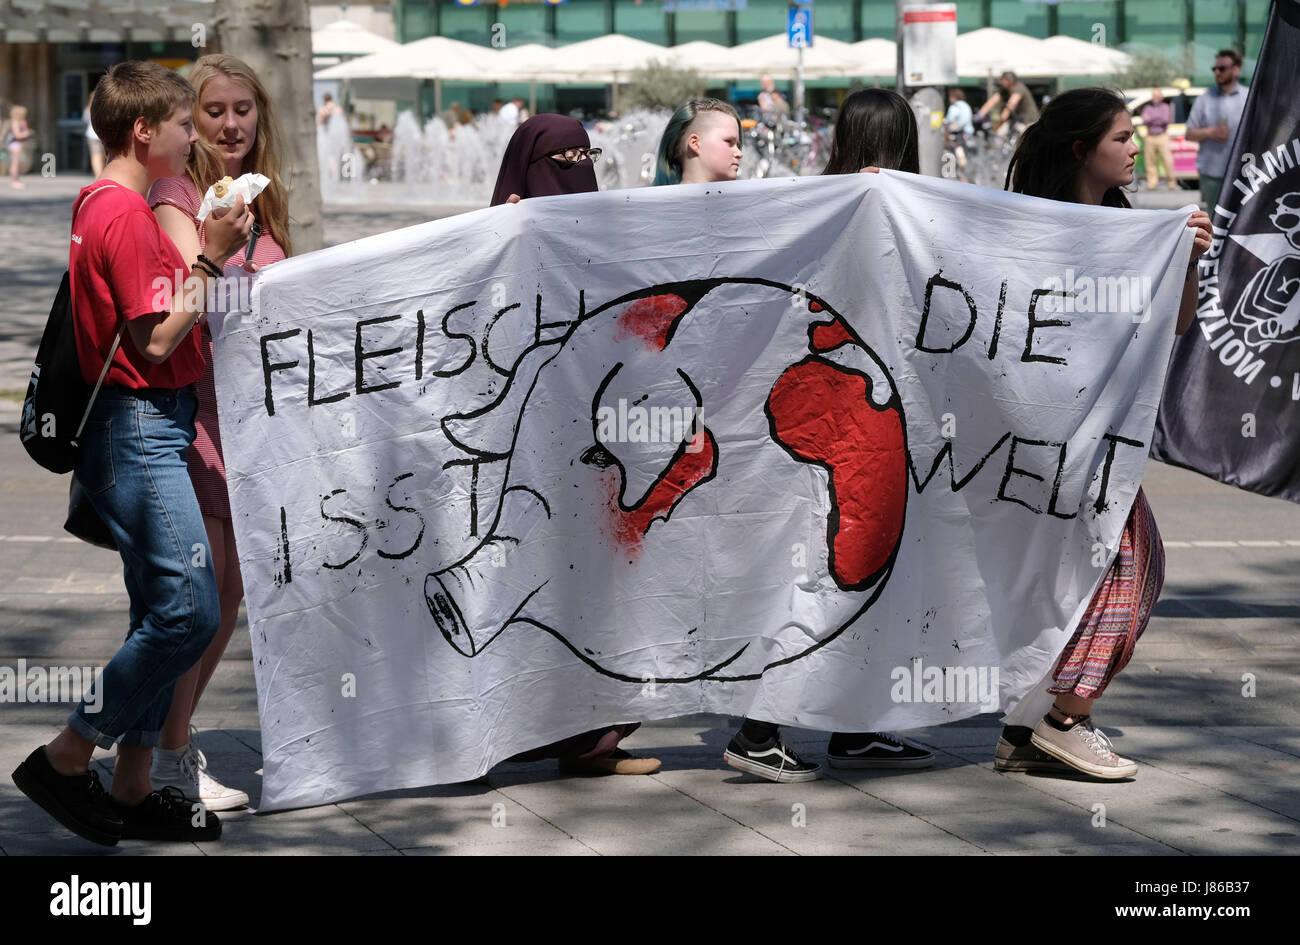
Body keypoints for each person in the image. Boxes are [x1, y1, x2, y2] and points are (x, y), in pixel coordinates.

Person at [10, 60, 251, 844]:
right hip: (137, 427)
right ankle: (68, 753)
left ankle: (137, 783)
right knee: (189, 610)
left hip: (151, 424)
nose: (197, 137)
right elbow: (155, 340)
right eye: (186, 124)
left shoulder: (109, 205)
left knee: (162, 608)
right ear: (144, 130)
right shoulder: (120, 211)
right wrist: (211, 256)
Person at [713, 90, 936, 782]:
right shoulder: (888, 207)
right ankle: (757, 728)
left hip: (820, 417)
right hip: (849, 424)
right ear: (902, 141)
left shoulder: (818, 201)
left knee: (846, 572)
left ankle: (856, 723)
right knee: (830, 575)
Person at [996, 87, 1211, 780]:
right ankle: (1067, 714)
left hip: (1102, 432)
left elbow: (1175, 324)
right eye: (1120, 137)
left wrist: (1189, 257)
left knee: (1087, 572)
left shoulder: (1129, 226)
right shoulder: (1029, 225)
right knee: (1130, 561)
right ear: (1081, 149)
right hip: (1046, 434)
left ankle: (1027, 728)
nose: (1135, 146)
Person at [488, 114, 658, 776]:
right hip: (526, 457)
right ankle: (502, 733)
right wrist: (504, 239)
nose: (573, 167)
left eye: (583, 155)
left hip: (600, 449)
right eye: (557, 158)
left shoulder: (608, 233)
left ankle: (593, 738)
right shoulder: (499, 231)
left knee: (601, 594)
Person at [147, 53, 291, 811]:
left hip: (249, 425)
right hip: (189, 417)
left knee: (230, 597)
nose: (231, 123)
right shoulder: (179, 195)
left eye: (243, 109)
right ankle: (164, 758)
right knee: (197, 599)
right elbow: (180, 289)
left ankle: (165, 743)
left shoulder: (266, 204)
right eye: (214, 110)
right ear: (191, 121)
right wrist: (220, 238)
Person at [1185, 49, 1248, 212]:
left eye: (1222, 68)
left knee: (1241, 219)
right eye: (1215, 69)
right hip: (1211, 174)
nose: (1217, 72)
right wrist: (1210, 132)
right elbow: (1189, 133)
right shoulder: (1204, 98)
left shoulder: (1248, 97)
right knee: (1215, 219)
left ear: (1236, 69)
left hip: (1242, 172)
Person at [651, 98, 742, 186]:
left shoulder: (745, 200)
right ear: (695, 143)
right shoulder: (658, 201)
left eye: (737, 145)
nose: (739, 154)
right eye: (729, 141)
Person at [976, 71, 1040, 138]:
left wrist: (996, 125)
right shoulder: (1006, 89)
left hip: (1029, 121)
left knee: (1003, 133)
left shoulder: (1019, 88)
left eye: (1003, 80)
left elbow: (1009, 108)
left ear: (1010, 81)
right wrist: (980, 114)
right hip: (1018, 120)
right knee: (1000, 133)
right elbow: (992, 101)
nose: (1000, 82)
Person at [1140, 88, 1177, 191]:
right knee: (1150, 161)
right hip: (1150, 136)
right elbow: (1145, 119)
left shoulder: (1165, 107)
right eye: (1154, 95)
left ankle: (1171, 183)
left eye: (1157, 95)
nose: (1155, 97)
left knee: (1167, 160)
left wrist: (1152, 119)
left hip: (1162, 136)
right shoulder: (1147, 107)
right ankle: (1152, 183)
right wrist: (1156, 118)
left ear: (1161, 97)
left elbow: (1165, 120)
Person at [3, 104, 31, 188]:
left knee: (17, 163)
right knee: (15, 163)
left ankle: (17, 180)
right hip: (15, 144)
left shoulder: (20, 122)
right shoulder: (15, 122)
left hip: (18, 144)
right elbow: (17, 135)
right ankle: (15, 181)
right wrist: (26, 133)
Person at [84, 93, 105, 176]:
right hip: (103, 134)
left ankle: (98, 176)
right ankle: (102, 175)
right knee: (103, 156)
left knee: (95, 155)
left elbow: (85, 120)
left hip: (92, 135)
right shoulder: (105, 108)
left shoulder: (88, 109)